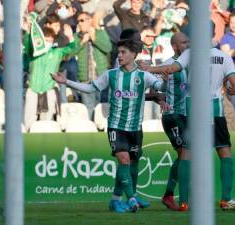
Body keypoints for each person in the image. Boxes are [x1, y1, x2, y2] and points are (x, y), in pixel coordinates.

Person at [51, 35, 165, 213]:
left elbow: (161, 87)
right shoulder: (111, 74)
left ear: (133, 54)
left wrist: (163, 73)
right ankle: (132, 199)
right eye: (118, 52)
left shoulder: (144, 75)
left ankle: (116, 200)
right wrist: (65, 81)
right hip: (116, 126)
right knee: (124, 160)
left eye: (123, 52)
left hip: (135, 127)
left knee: (131, 164)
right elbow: (90, 88)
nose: (119, 55)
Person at [139, 36, 235, 211]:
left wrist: (150, 68)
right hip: (214, 110)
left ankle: (184, 202)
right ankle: (225, 199)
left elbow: (171, 68)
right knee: (224, 152)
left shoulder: (190, 54)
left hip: (192, 111)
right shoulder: (223, 56)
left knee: (186, 153)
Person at [156, 32, 190, 211]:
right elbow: (153, 86)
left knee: (186, 155)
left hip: (188, 116)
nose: (188, 44)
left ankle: (171, 195)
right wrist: (160, 99)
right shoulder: (167, 65)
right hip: (173, 116)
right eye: (184, 42)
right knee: (185, 153)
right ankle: (180, 198)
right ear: (175, 46)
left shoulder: (192, 63)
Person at [23, 14, 75, 131]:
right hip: (33, 89)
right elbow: (27, 46)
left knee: (46, 122)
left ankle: (45, 146)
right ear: (41, 40)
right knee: (28, 122)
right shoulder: (34, 52)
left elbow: (71, 50)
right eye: (46, 40)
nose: (49, 42)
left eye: (51, 40)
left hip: (49, 89)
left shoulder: (57, 52)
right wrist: (28, 32)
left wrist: (71, 38)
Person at [73, 12, 112, 120]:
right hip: (85, 79)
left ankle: (104, 130)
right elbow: (70, 53)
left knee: (102, 106)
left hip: (101, 77)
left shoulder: (100, 33)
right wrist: (82, 42)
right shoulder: (77, 37)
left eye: (82, 20)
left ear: (90, 20)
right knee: (88, 107)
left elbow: (108, 48)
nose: (79, 24)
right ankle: (90, 128)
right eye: (78, 21)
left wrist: (94, 38)